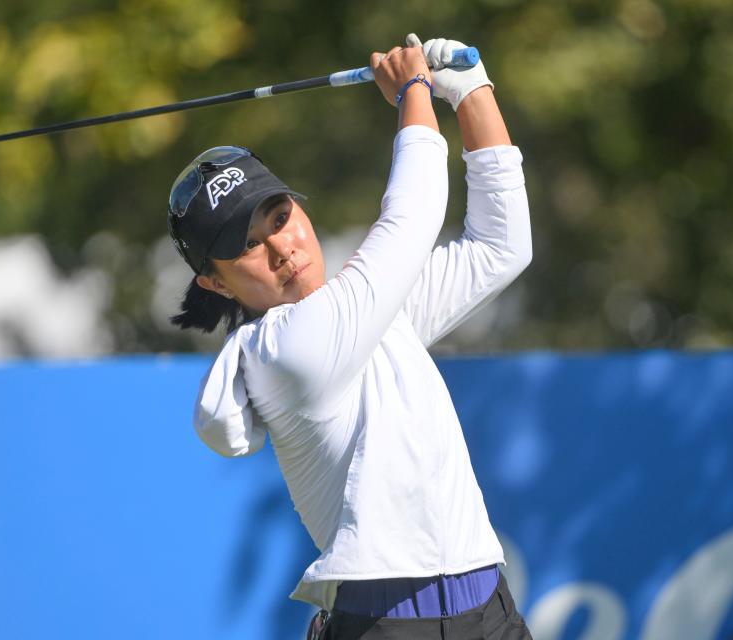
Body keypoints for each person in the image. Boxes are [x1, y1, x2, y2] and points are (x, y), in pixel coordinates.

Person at [167, 34, 533, 640]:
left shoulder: (372, 315)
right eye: (247, 245)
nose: (281, 246)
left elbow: (501, 246)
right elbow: (411, 217)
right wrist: (414, 94)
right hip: (382, 630)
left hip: (490, 612)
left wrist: (471, 92)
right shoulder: (281, 352)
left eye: (279, 218)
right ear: (215, 282)